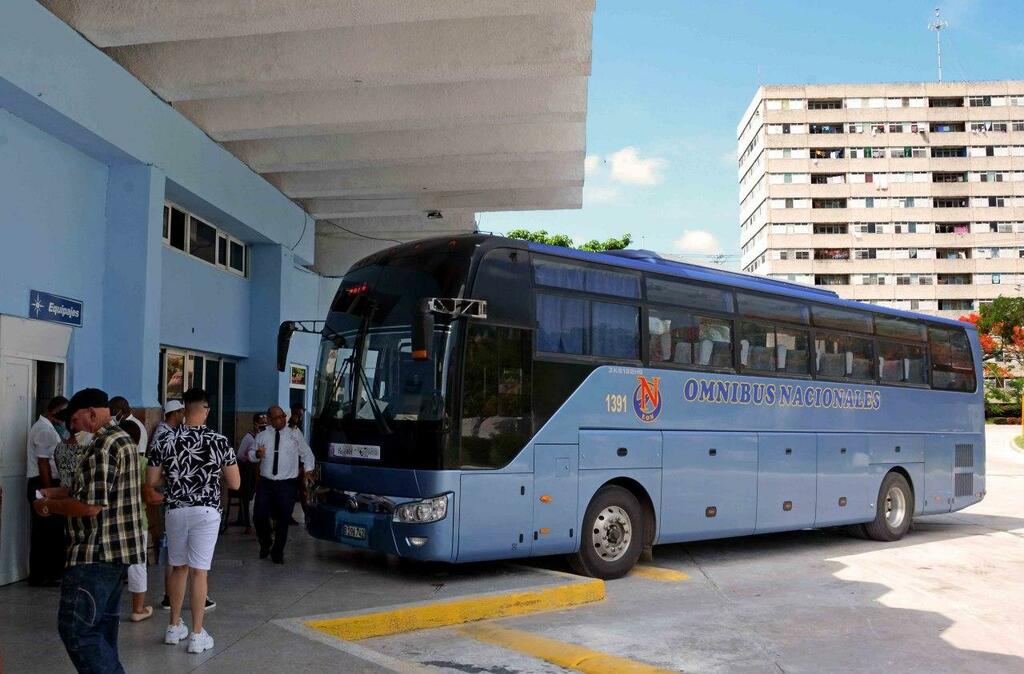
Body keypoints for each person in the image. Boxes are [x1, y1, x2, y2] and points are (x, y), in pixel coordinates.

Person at [33, 388, 145, 674]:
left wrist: (49, 507)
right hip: (114, 552)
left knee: (76, 629)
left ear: (92, 414)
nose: (72, 428)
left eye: (75, 421)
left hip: (95, 551)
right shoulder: (121, 439)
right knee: (102, 631)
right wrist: (55, 493)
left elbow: (90, 505)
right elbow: (94, 489)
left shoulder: (103, 445)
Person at [147, 388, 238, 654]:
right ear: (206, 410)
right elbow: (235, 482)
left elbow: (151, 481)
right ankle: (197, 635)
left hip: (175, 510)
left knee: (178, 567)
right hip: (206, 512)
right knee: (200, 571)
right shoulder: (219, 441)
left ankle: (174, 627)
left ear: (184, 410)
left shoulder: (166, 440)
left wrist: (174, 480)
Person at [249, 405, 314, 564]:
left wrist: (308, 470)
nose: (282, 419)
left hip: (287, 484)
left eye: (283, 416)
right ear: (270, 420)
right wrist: (257, 454)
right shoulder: (262, 435)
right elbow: (251, 454)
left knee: (283, 519)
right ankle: (265, 543)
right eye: (277, 417)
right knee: (259, 516)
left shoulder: (294, 434)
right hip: (267, 483)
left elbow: (306, 453)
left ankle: (277, 552)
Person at [26, 396, 68, 587]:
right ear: (54, 411)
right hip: (43, 483)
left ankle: (45, 573)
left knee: (48, 531)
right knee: (47, 531)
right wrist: (49, 491)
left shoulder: (47, 428)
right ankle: (45, 574)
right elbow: (43, 463)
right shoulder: (45, 430)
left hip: (44, 484)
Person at [118, 419, 153, 623]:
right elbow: (148, 494)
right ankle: (138, 608)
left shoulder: (112, 459)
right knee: (137, 564)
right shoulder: (141, 463)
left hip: (113, 521)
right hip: (137, 520)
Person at [235, 413, 267, 533]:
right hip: (249, 472)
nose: (263, 426)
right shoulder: (249, 437)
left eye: (265, 424)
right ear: (255, 424)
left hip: (261, 472)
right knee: (247, 497)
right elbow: (239, 456)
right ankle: (248, 523)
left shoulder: (265, 437)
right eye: (261, 424)